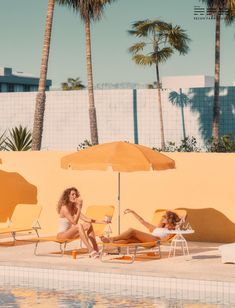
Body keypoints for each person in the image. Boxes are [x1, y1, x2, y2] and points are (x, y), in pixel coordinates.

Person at [57, 187, 107, 258]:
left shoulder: (74, 208)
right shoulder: (64, 208)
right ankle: (90, 250)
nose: (75, 196)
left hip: (70, 233)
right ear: (68, 196)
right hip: (62, 235)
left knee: (88, 225)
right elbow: (74, 222)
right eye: (73, 194)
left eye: (76, 195)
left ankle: (96, 249)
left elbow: (87, 219)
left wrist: (102, 221)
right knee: (79, 225)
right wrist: (80, 208)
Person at [100, 208, 181, 244]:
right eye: (162, 216)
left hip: (156, 240)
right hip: (149, 239)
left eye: (164, 217)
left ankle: (111, 239)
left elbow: (178, 226)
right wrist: (133, 212)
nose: (162, 218)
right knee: (129, 240)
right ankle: (110, 244)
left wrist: (179, 224)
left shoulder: (172, 230)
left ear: (170, 219)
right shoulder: (156, 228)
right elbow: (142, 221)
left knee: (132, 231)